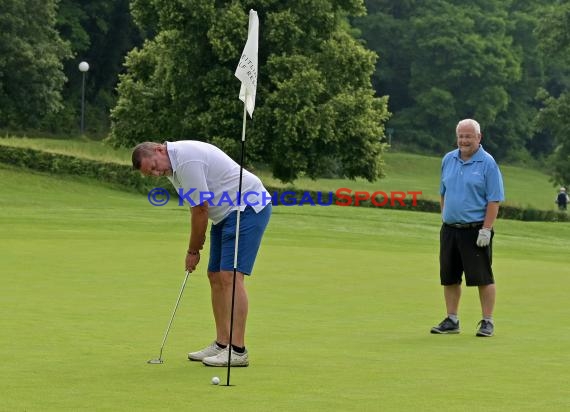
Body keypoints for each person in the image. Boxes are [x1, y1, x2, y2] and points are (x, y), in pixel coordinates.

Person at [132, 140, 272, 366]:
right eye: (152, 173)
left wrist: (193, 250)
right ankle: (222, 343)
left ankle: (237, 351)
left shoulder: (187, 159)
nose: (158, 173)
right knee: (215, 276)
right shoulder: (173, 166)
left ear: (159, 149)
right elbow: (195, 205)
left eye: (155, 167)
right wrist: (196, 247)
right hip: (225, 214)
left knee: (231, 276)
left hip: (247, 206)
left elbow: (200, 209)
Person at [431, 119, 505, 337]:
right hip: (450, 229)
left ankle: (487, 321)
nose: (464, 140)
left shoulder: (488, 163)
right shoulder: (448, 159)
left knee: (483, 277)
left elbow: (494, 200)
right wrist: (446, 217)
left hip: (475, 230)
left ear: (478, 137)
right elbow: (443, 192)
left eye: (468, 136)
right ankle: (452, 319)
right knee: (450, 276)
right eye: (461, 136)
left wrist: (486, 229)